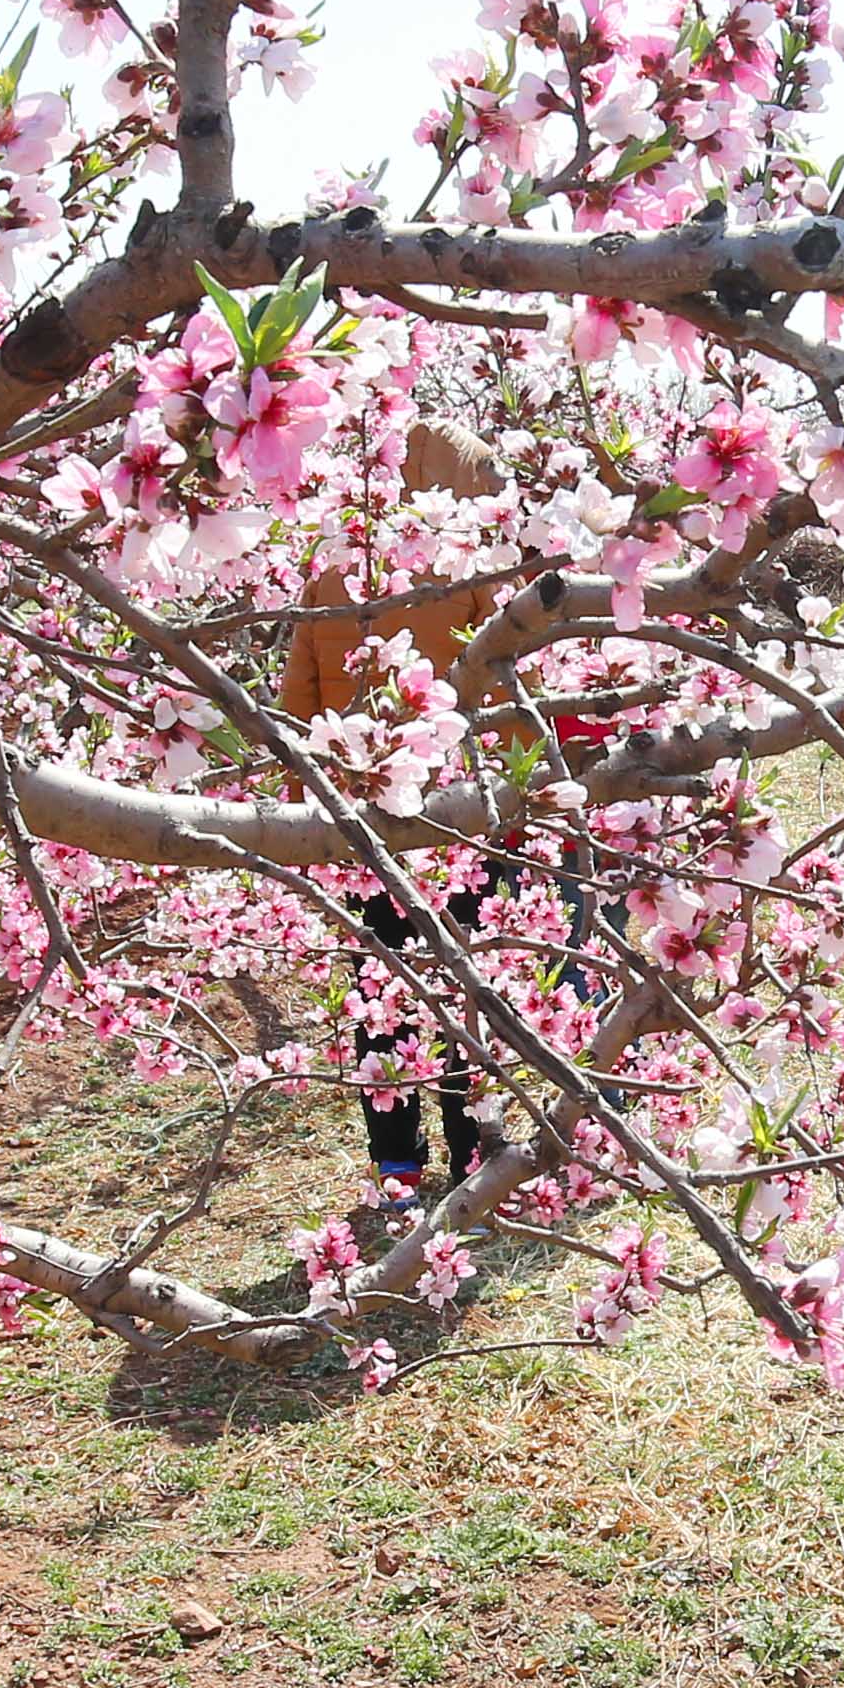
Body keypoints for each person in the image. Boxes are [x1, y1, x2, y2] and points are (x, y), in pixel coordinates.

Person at [279, 421, 506, 1204]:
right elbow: (508, 694)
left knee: (383, 986)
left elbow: (296, 706)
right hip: (460, 820)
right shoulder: (471, 571)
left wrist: (306, 816)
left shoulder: (331, 575)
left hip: (363, 823)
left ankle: (396, 1162)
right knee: (468, 985)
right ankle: (473, 1149)